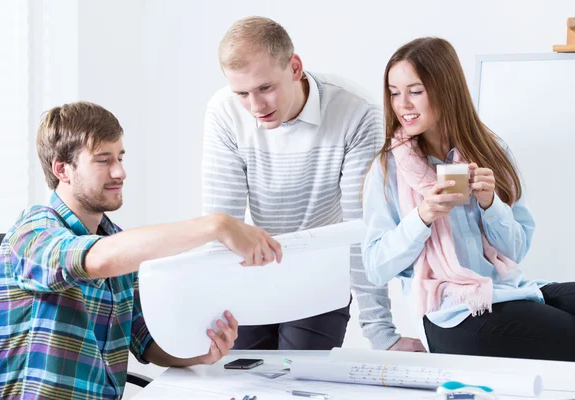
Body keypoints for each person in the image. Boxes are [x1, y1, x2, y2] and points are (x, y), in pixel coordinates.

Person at [0, 101, 282, 399]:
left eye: (120, 157)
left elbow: (148, 343)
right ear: (62, 169)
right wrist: (216, 225)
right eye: (104, 160)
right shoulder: (32, 233)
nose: (120, 172)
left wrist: (202, 352)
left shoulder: (115, 241)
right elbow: (97, 260)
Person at [203, 16, 423, 351]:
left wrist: (382, 333)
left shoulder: (356, 113)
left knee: (300, 378)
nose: (255, 106)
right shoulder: (225, 111)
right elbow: (221, 223)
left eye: (265, 88)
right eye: (242, 93)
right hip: (253, 270)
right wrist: (207, 309)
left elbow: (360, 228)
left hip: (321, 271)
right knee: (240, 376)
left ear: (294, 67)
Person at [362, 37, 575, 361]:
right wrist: (421, 217)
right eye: (394, 93)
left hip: (508, 291)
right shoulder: (388, 169)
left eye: (415, 91)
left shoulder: (492, 150)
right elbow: (375, 268)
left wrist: (491, 204)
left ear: (447, 89)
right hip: (453, 315)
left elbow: (515, 251)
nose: (402, 104)